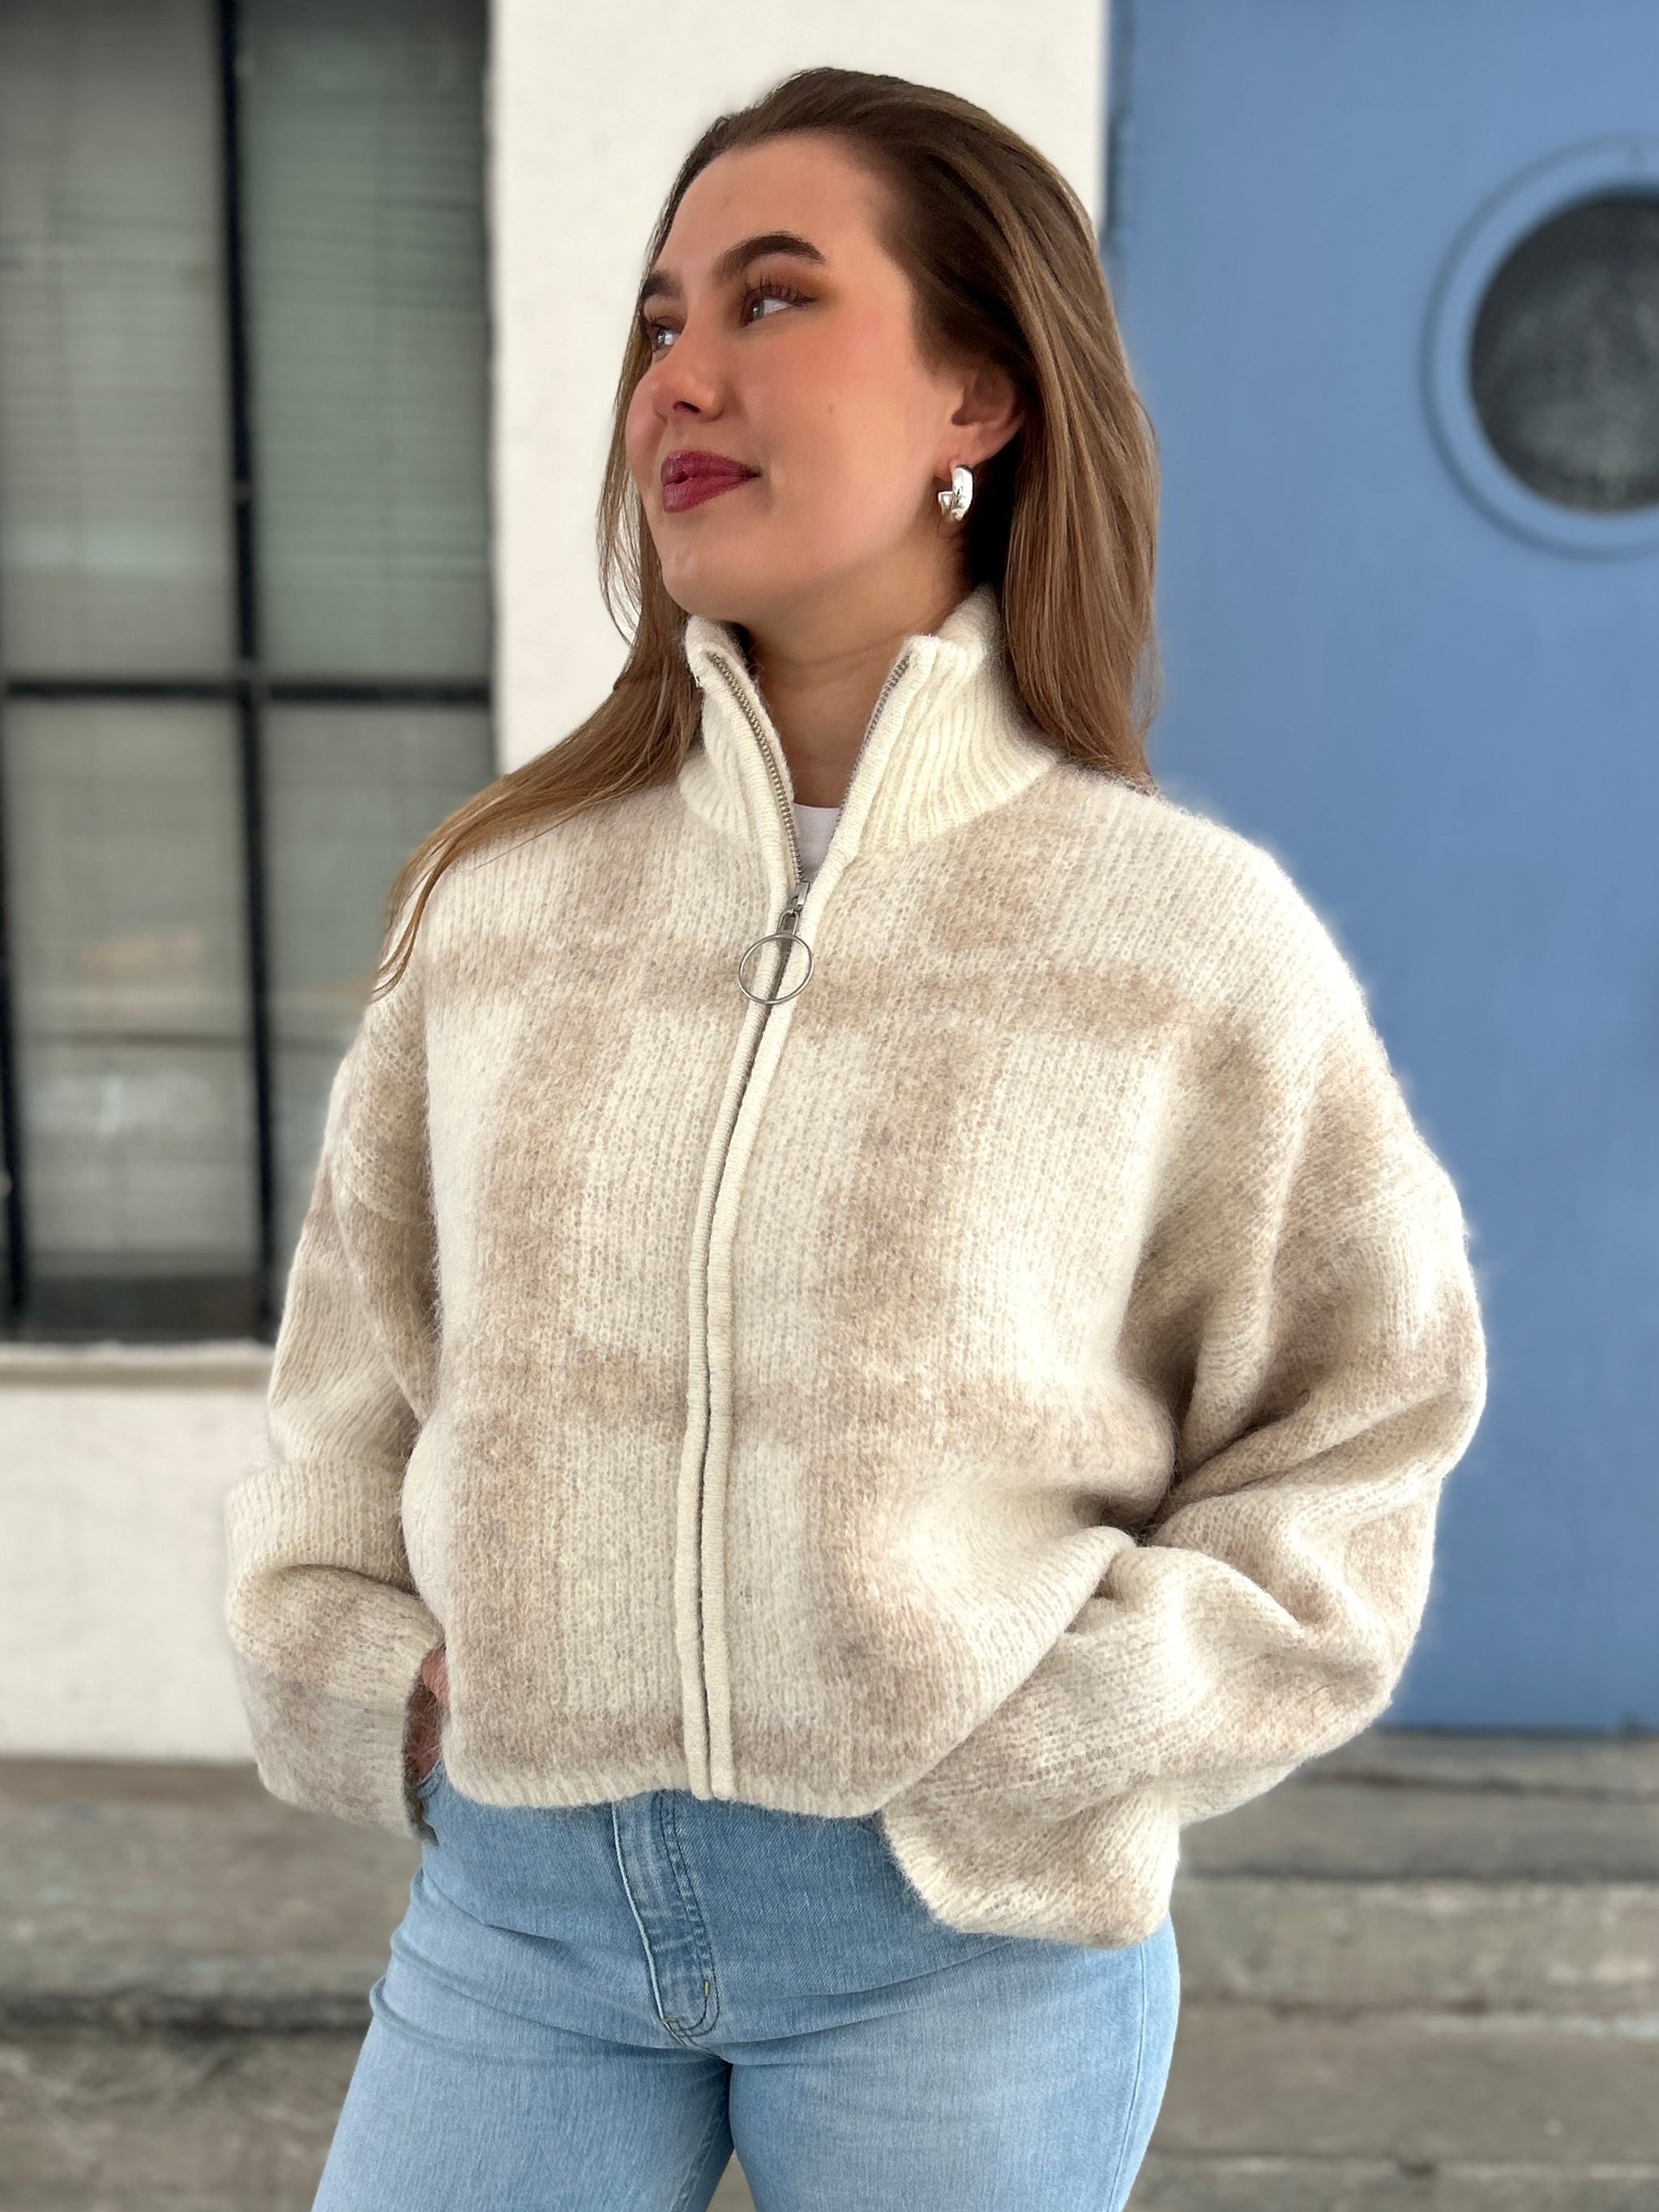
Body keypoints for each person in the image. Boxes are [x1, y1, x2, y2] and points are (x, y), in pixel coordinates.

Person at [223, 64, 1487, 2212]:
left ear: (977, 395)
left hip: (950, 1940)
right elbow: (357, 1374)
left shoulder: (1183, 940)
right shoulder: (503, 910)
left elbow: (1358, 1428)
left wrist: (1050, 1741)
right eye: (659, 319)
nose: (681, 376)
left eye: (774, 297)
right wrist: (369, 1680)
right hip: (526, 1909)